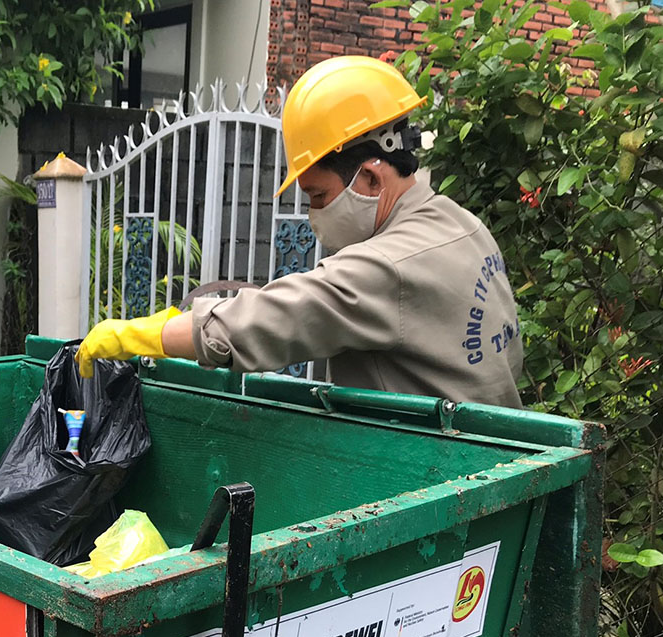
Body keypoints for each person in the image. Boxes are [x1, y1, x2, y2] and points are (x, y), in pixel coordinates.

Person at [75, 56, 524, 408]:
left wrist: (142, 335)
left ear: (369, 178)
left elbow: (276, 318)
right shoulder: (464, 226)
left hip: (439, 485)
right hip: (490, 468)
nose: (313, 216)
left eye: (318, 196)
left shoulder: (390, 264)